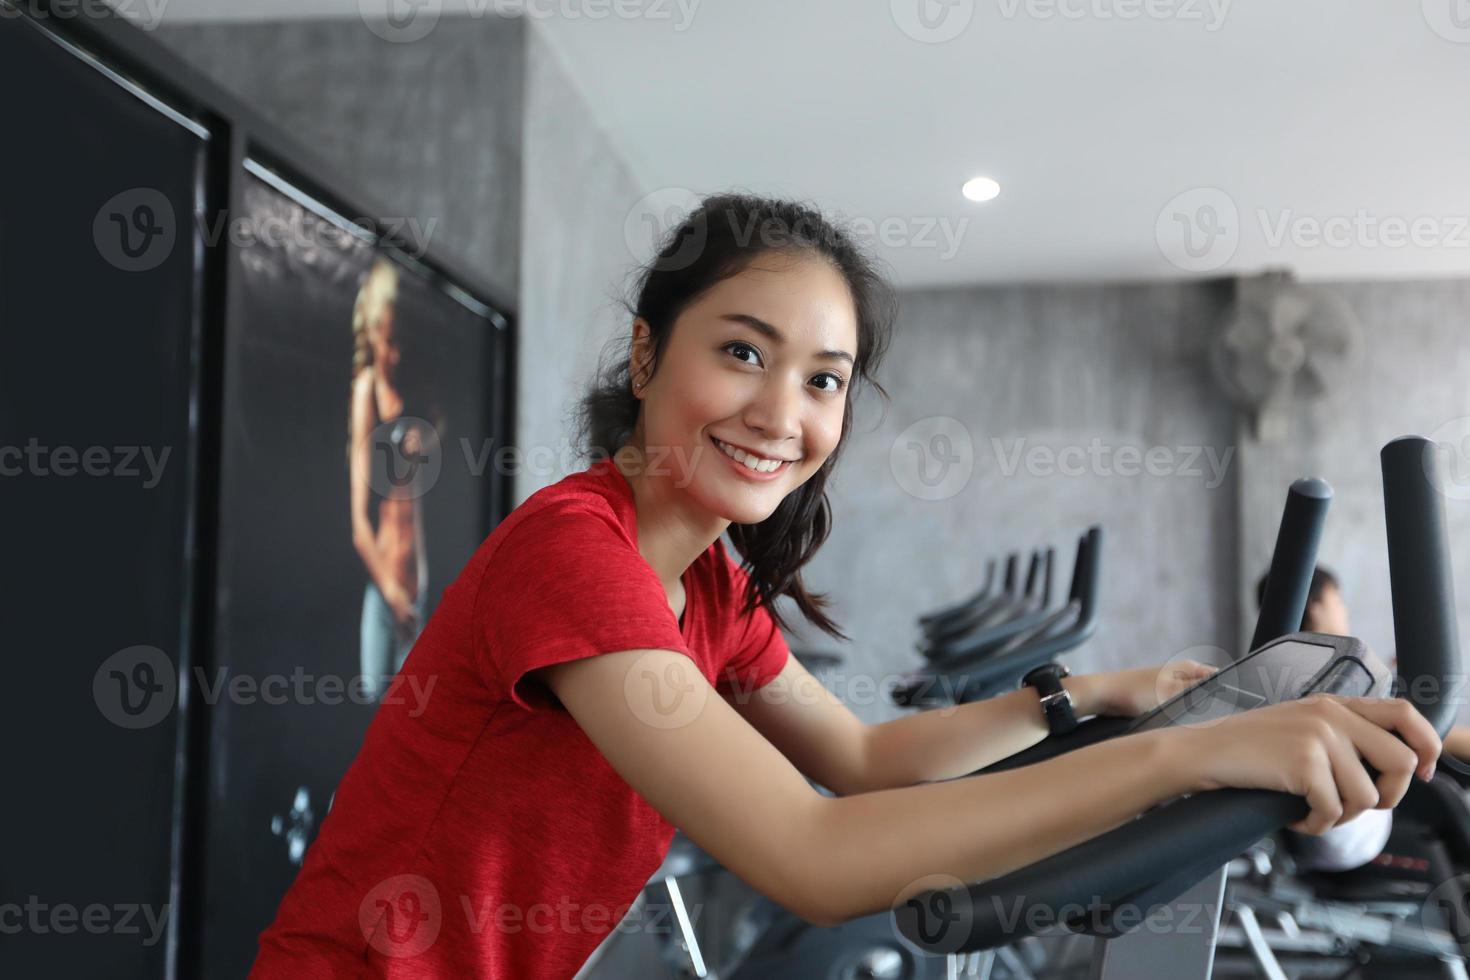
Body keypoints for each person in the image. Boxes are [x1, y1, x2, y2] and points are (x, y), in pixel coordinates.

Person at [251, 194, 1440, 978]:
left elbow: (866, 761)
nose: (784, 413)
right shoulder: (576, 554)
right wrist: (1189, 756)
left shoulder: (707, 584)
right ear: (648, 352)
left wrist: (1095, 695)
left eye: (825, 379)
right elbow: (812, 854)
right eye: (744, 352)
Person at [1254, 565, 1394, 871]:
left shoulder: (1268, 672)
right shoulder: (1338, 671)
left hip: (1312, 839)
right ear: (1315, 608)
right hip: (1352, 837)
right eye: (1338, 600)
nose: (1344, 610)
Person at [348, 256, 428, 703]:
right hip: (387, 589)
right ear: (374, 331)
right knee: (376, 714)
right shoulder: (366, 393)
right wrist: (393, 594)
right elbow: (359, 525)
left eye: (401, 343)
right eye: (387, 341)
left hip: (419, 587)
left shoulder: (413, 395)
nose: (394, 355)